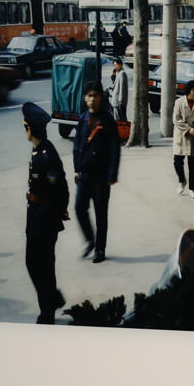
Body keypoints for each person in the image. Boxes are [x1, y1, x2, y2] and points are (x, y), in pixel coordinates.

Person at [20, 103, 68, 324]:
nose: (24, 130)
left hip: (44, 221)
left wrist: (56, 214)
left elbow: (60, 187)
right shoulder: (39, 149)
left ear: (31, 129)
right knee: (39, 264)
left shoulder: (47, 155)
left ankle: (47, 311)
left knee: (40, 265)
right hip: (37, 217)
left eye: (25, 126)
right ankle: (51, 300)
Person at [72, 84, 120, 263]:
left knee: (101, 214)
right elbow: (77, 146)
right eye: (89, 95)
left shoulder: (107, 120)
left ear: (100, 97)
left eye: (95, 95)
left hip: (101, 177)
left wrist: (112, 173)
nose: (92, 99)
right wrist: (76, 168)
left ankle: (100, 249)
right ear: (85, 98)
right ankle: (90, 240)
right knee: (79, 208)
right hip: (84, 175)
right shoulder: (83, 118)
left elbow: (115, 147)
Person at [171, 79, 194, 197]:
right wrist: (188, 128)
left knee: (192, 164)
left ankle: (192, 188)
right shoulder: (179, 102)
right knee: (177, 161)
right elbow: (176, 120)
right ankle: (182, 180)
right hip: (181, 136)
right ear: (188, 91)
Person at [107, 55, 135, 133]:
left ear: (121, 65)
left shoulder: (122, 74)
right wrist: (113, 76)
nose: (115, 67)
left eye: (116, 65)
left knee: (120, 119)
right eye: (114, 65)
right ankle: (121, 133)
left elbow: (123, 88)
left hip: (118, 101)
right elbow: (115, 85)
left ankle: (122, 133)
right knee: (119, 119)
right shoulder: (118, 73)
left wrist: (121, 100)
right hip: (115, 100)